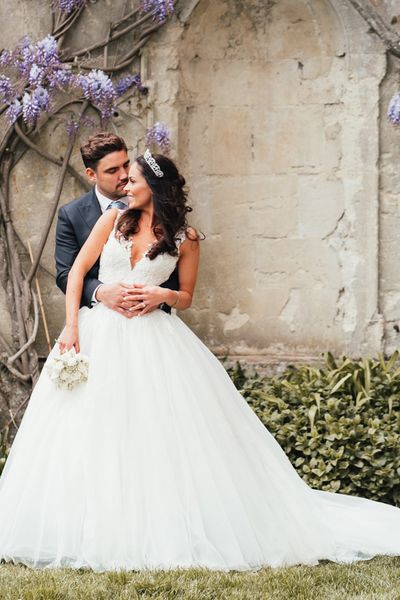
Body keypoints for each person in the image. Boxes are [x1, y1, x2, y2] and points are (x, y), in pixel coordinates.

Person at [0, 150, 399, 572]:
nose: (125, 185)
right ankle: (84, 524)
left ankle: (157, 524)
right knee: (93, 425)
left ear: (154, 187)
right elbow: (78, 272)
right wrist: (72, 328)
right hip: (99, 331)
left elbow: (186, 296)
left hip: (154, 339)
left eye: (133, 180)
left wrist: (163, 295)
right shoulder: (112, 220)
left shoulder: (185, 238)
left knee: (154, 431)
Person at [55, 132, 179, 316]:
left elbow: (175, 264)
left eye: (126, 165)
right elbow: (66, 273)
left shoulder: (158, 206)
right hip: (99, 318)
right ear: (91, 174)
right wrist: (101, 292)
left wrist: (158, 299)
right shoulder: (71, 214)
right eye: (112, 170)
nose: (124, 175)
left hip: (152, 318)